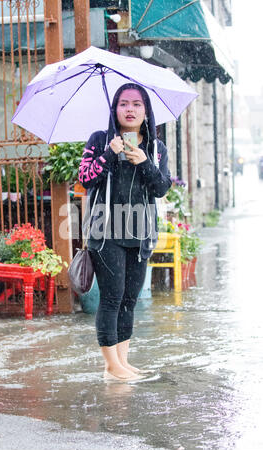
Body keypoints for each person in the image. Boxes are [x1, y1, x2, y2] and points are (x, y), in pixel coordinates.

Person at [78, 83, 172, 381]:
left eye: (136, 104)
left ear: (146, 112)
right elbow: (84, 178)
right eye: (123, 103)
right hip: (106, 231)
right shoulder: (100, 139)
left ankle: (122, 361)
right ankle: (111, 366)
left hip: (141, 232)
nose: (129, 109)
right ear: (114, 109)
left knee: (130, 299)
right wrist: (108, 154)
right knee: (111, 298)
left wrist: (145, 163)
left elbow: (161, 187)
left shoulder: (156, 148)